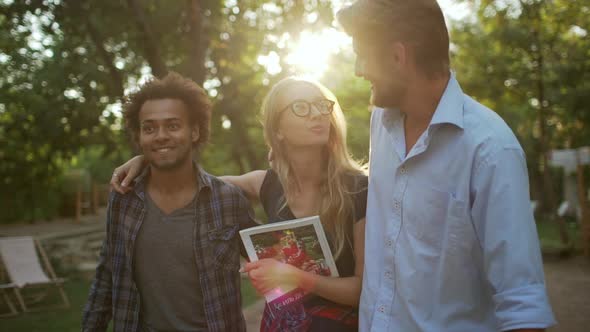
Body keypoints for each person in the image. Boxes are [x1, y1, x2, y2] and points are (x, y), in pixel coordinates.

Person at [336, 1, 556, 331]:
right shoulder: (381, 121)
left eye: (362, 55)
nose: (357, 69)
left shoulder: (490, 149)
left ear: (398, 57)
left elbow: (521, 300)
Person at [111, 77, 368, 331]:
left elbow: (363, 290)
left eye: (322, 105)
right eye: (301, 107)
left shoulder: (359, 188)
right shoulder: (265, 184)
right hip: (282, 324)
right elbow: (193, 183)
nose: (317, 115)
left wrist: (297, 277)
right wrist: (148, 161)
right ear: (277, 128)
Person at [82, 72, 255, 332]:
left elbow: (275, 257)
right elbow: (106, 277)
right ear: (139, 137)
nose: (160, 135)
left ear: (194, 131)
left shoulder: (227, 200)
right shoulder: (123, 201)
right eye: (149, 128)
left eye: (173, 125)